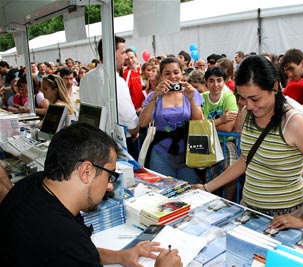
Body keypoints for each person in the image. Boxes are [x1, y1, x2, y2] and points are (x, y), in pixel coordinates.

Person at [0, 123, 182, 266]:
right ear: (86, 171)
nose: (110, 187)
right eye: (109, 175)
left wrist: (119, 256)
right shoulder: (64, 237)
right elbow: (73, 250)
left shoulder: (32, 184)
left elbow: (78, 253)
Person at [194, 55, 303, 230]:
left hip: (286, 217)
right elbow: (245, 160)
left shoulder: (294, 123)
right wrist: (207, 187)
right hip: (249, 210)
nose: (249, 105)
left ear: (275, 87)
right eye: (243, 98)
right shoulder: (247, 114)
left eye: (255, 98)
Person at [139, 57, 204, 184]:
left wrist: (191, 99)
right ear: (161, 76)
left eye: (176, 72)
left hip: (188, 154)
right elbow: (142, 123)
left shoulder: (191, 92)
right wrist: (154, 97)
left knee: (189, 192)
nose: (172, 77)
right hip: (160, 154)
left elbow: (199, 120)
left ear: (182, 73)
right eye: (167, 73)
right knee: (162, 193)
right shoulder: (154, 96)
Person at [79, 36, 139, 145]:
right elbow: (129, 121)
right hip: (117, 143)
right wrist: (135, 131)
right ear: (110, 54)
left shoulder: (85, 78)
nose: (126, 57)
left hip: (94, 140)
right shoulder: (116, 81)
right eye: (123, 53)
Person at [201, 66, 238, 200]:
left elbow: (228, 128)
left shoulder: (229, 98)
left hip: (226, 142)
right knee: (210, 176)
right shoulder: (201, 98)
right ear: (206, 82)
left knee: (231, 170)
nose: (215, 85)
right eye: (211, 81)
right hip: (207, 142)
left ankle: (228, 202)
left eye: (219, 80)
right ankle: (215, 201)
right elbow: (198, 125)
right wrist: (221, 120)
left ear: (224, 82)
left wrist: (208, 123)